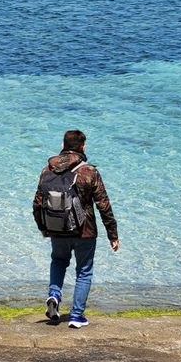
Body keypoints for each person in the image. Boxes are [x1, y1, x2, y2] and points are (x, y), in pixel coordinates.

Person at [32, 129, 119, 328]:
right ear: (83, 147)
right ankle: (77, 316)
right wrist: (112, 234)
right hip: (85, 232)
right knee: (84, 271)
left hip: (57, 228)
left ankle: (54, 295)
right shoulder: (89, 172)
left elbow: (37, 203)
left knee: (58, 261)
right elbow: (103, 205)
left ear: (63, 146)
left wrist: (43, 227)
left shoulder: (48, 170)